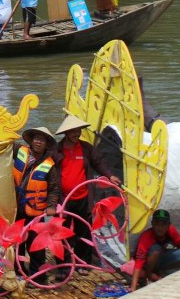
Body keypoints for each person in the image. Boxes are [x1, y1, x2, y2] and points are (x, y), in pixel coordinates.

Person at [52, 115, 122, 277]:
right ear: (66, 132)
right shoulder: (56, 151)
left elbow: (99, 163)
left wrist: (110, 176)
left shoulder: (86, 148)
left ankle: (83, 264)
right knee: (60, 233)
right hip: (63, 199)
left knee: (84, 231)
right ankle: (63, 267)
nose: (76, 133)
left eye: (78, 130)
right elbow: (48, 171)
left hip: (83, 198)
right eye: (73, 131)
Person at [12, 127, 60, 284]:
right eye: (36, 138)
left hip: (35, 212)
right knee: (17, 243)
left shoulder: (50, 165)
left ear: (46, 144)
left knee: (36, 245)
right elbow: (3, 146)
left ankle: (38, 277)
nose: (38, 142)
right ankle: (17, 271)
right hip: (16, 207)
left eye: (42, 139)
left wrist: (51, 206)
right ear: (31, 140)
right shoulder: (19, 150)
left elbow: (54, 188)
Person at [130, 210, 180, 292]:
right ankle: (149, 275)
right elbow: (139, 262)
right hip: (148, 265)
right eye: (157, 224)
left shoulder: (171, 230)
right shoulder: (146, 237)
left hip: (160, 259)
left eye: (163, 224)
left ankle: (160, 272)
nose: (160, 228)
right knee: (155, 250)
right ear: (152, 224)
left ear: (168, 225)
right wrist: (133, 288)